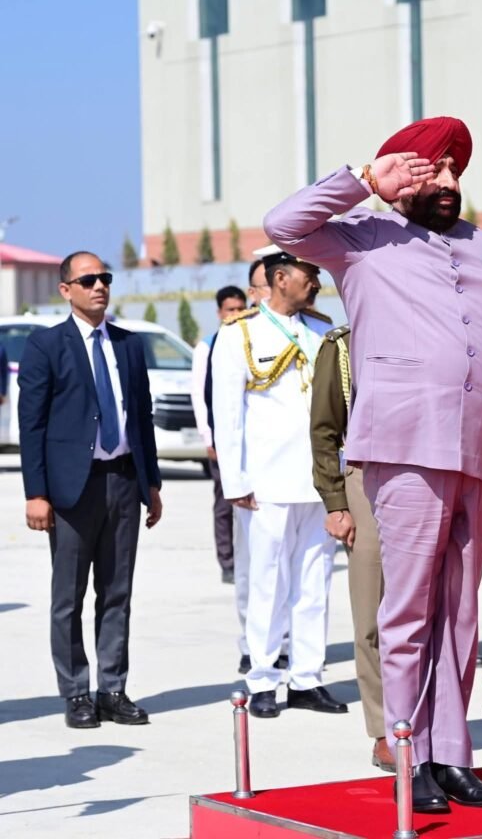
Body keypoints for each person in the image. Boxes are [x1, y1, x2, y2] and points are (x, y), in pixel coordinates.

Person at [264, 116, 482, 813]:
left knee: (460, 612)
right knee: (406, 609)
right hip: (406, 444)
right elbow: (283, 224)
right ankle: (408, 752)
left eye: (456, 169)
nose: (448, 181)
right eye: (434, 169)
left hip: (476, 450)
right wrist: (363, 181)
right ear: (400, 176)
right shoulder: (362, 237)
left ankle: (451, 754)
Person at [18, 251, 162, 728]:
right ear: (66, 290)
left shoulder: (129, 345)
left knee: (117, 592)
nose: (99, 286)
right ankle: (76, 692)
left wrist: (151, 482)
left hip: (123, 481)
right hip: (70, 490)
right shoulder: (46, 345)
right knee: (69, 597)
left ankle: (112, 689)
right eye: (88, 280)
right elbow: (32, 424)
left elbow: (141, 417)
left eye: (104, 278)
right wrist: (36, 493)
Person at [212, 250, 346, 719]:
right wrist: (235, 480)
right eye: (309, 274)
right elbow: (228, 412)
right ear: (281, 278)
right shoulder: (240, 333)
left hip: (318, 479)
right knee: (268, 583)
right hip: (266, 479)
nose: (316, 282)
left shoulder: (321, 330)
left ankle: (307, 677)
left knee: (314, 582)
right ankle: (263, 678)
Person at [309, 323, 395, 771]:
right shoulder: (342, 346)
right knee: (372, 615)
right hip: (365, 478)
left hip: (425, 473)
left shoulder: (427, 329)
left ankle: (427, 721)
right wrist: (336, 501)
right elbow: (325, 430)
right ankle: (384, 729)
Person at [205, 260, 275, 674]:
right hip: (253, 472)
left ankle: (287, 647)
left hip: (297, 475)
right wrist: (234, 476)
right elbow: (220, 408)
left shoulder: (310, 331)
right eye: (267, 285)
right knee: (252, 568)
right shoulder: (235, 336)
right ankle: (253, 643)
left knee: (295, 573)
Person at [191, 285, 247, 584]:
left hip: (249, 438)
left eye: (240, 308)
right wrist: (208, 437)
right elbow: (199, 395)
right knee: (224, 503)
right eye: (230, 310)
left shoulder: (252, 341)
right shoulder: (208, 346)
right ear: (219, 312)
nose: (235, 314)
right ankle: (227, 561)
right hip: (220, 439)